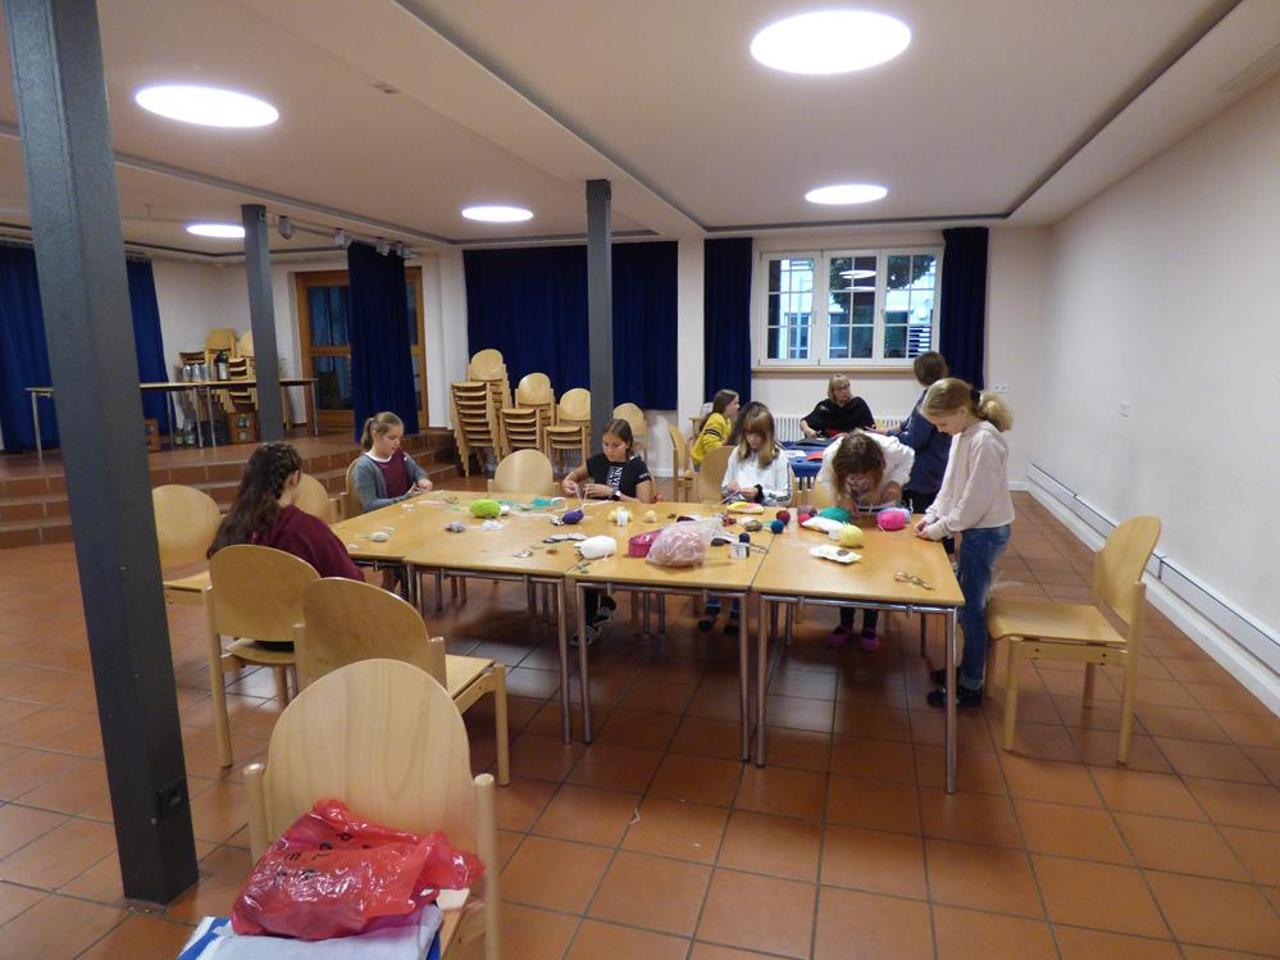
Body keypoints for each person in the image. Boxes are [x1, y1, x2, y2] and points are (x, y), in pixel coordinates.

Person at [916, 378, 1015, 708]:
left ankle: (971, 684)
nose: (940, 430)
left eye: (942, 423)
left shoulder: (985, 440)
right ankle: (966, 671)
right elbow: (950, 487)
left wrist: (941, 529)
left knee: (971, 610)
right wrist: (932, 515)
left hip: (985, 533)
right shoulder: (963, 434)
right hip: (974, 530)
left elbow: (974, 503)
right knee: (966, 606)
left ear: (961, 411)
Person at [699, 405, 794, 633]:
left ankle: (736, 610)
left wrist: (761, 493)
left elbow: (787, 496)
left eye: (758, 435)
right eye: (749, 434)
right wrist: (730, 487)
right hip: (736, 515)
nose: (752, 440)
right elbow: (724, 487)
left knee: (744, 555)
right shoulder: (737, 454)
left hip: (763, 519)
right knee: (719, 552)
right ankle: (713, 604)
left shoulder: (778, 458)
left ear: (767, 434)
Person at [208, 441, 364, 581]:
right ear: (294, 478)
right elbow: (350, 582)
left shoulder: (231, 528)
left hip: (245, 604)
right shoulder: (309, 529)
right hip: (299, 605)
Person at [817, 430, 915, 651]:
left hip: (882, 509)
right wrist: (843, 497)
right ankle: (845, 624)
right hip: (852, 513)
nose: (857, 482)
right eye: (851, 476)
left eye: (862, 476)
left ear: (876, 465)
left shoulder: (890, 448)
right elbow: (827, 480)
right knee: (848, 567)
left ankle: (870, 626)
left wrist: (895, 483)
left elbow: (909, 456)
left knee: (875, 568)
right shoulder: (832, 454)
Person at [563, 419, 655, 643]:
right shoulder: (597, 461)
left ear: (628, 444)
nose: (610, 450)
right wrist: (568, 482)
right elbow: (573, 476)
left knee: (596, 563)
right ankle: (595, 613)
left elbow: (644, 504)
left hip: (627, 529)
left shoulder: (637, 467)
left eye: (616, 445)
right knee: (586, 564)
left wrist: (613, 493)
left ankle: (594, 616)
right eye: (605, 444)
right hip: (599, 526)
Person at [888, 352, 954, 553]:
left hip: (924, 467)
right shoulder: (940, 393)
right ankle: (944, 550)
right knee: (939, 509)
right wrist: (891, 430)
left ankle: (931, 555)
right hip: (937, 461)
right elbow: (910, 423)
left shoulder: (931, 399)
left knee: (924, 513)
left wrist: (891, 438)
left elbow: (916, 439)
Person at [350, 412, 433, 514]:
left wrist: (422, 479)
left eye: (399, 438)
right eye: (392, 438)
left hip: (407, 512)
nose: (397, 443)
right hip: (385, 518)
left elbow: (416, 470)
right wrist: (405, 498)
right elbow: (370, 505)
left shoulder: (399, 454)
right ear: (375, 435)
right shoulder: (364, 466)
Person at [800, 375, 874, 439]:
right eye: (840, 389)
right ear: (833, 392)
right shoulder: (825, 406)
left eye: (846, 387)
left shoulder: (858, 404)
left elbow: (869, 430)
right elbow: (804, 421)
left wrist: (849, 435)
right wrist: (806, 429)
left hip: (851, 443)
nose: (844, 391)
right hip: (827, 443)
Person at [691, 389, 739, 467]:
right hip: (703, 463)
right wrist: (727, 445)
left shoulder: (727, 420)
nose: (738, 406)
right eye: (735, 403)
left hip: (711, 461)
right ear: (725, 405)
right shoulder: (716, 420)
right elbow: (711, 448)